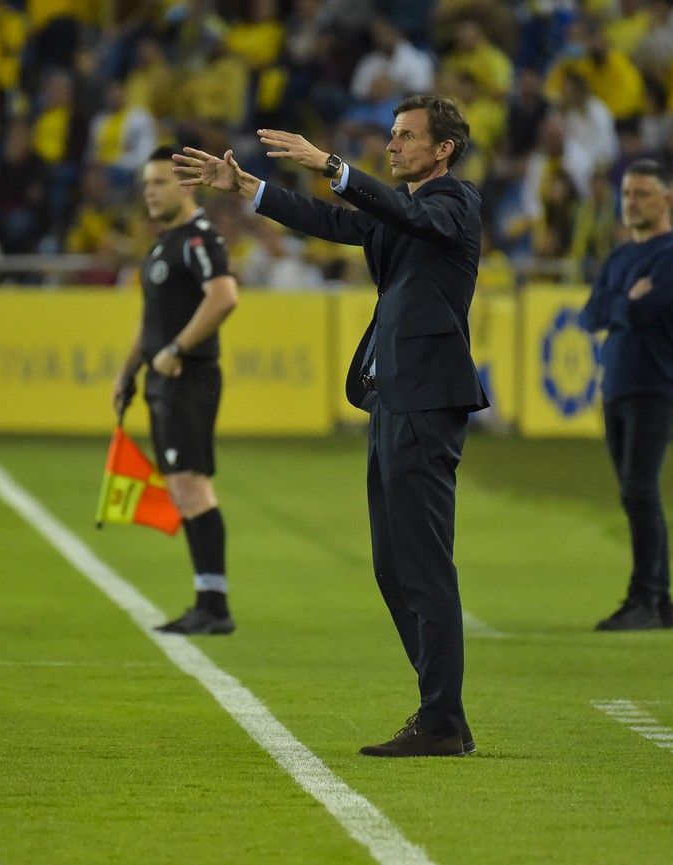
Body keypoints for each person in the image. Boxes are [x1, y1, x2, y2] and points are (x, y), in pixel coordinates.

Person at [174, 94, 488, 757]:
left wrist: (332, 164)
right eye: (393, 135)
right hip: (393, 399)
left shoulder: (452, 203)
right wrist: (251, 188)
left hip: (425, 402)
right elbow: (331, 220)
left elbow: (393, 209)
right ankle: (444, 711)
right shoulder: (403, 212)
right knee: (391, 565)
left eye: (407, 137)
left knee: (424, 563)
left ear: (444, 151)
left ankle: (439, 716)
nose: (395, 145)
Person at [111, 146, 240, 636]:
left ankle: (214, 605)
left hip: (189, 378)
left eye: (161, 182)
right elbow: (150, 321)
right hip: (164, 379)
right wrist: (129, 372)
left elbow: (225, 296)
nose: (150, 191)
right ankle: (209, 600)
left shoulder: (200, 239)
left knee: (192, 486)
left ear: (187, 185)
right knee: (183, 488)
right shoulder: (165, 244)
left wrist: (178, 349)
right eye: (147, 183)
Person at [579, 159, 673, 631]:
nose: (631, 202)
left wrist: (623, 305)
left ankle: (646, 598)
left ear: (667, 198)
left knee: (639, 490)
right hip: (618, 385)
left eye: (642, 194)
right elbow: (591, 315)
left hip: (657, 386)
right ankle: (659, 601)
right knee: (636, 495)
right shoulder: (622, 256)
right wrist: (625, 302)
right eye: (627, 194)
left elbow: (644, 312)